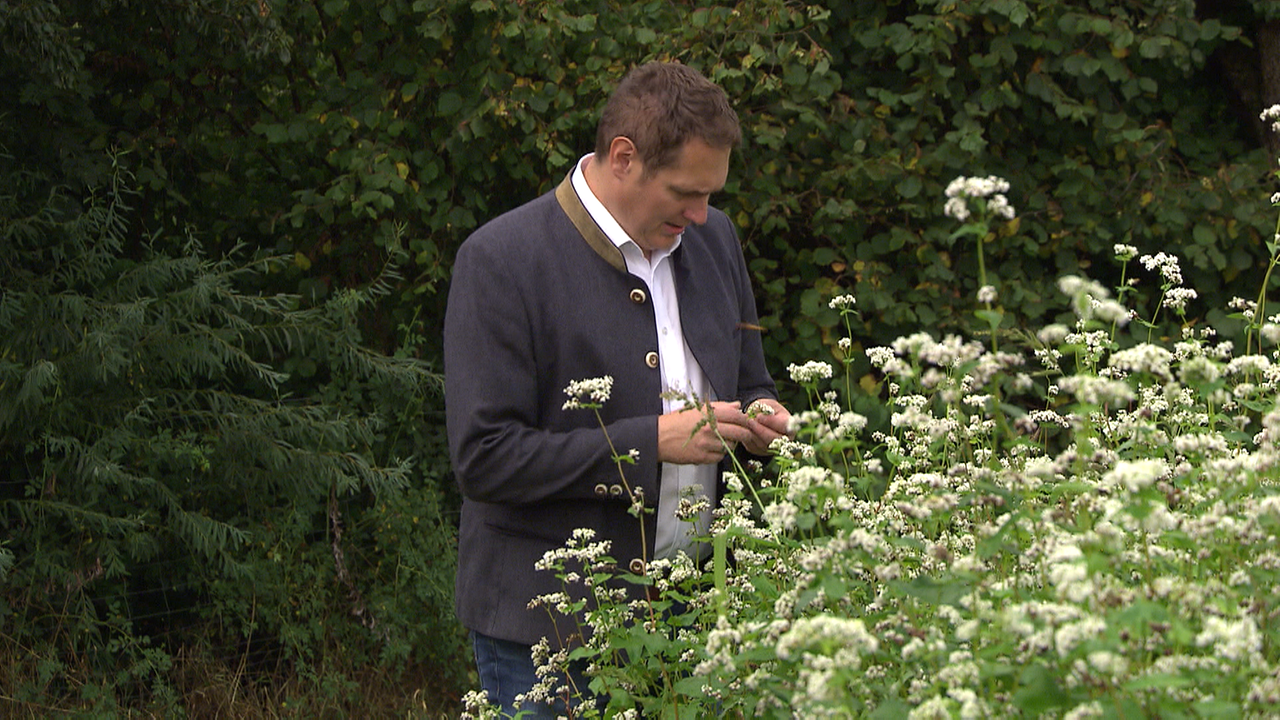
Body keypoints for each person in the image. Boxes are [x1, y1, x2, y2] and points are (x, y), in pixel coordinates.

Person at [443, 61, 792, 718]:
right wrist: (651, 444)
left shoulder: (714, 241)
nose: (701, 212)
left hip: (696, 612)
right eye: (686, 192)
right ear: (625, 158)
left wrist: (761, 415)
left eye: (712, 194)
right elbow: (484, 457)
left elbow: (750, 380)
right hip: (548, 633)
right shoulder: (501, 261)